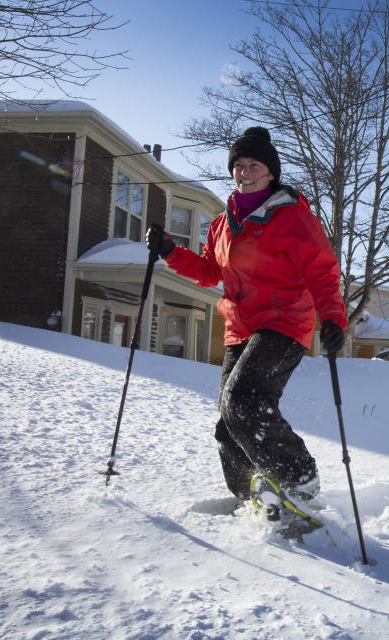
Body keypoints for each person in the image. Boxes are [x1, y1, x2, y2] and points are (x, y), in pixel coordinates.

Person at [146, 126, 347, 504]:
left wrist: (334, 318)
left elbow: (322, 271)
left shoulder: (292, 217)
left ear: (271, 172)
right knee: (227, 425)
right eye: (238, 165)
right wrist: (170, 251)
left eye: (254, 164)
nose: (244, 171)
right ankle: (251, 494)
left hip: (284, 323)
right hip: (240, 328)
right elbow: (210, 271)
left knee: (241, 401)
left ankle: (299, 477)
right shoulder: (223, 224)